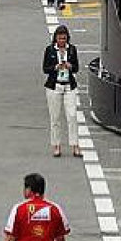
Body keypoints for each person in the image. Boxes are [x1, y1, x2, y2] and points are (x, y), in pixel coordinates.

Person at [42, 25, 81, 158]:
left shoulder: (72, 50)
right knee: (55, 117)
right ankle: (56, 145)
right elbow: (45, 69)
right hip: (54, 86)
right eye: (59, 38)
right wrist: (56, 67)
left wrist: (70, 66)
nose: (62, 41)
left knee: (72, 115)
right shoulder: (50, 50)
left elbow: (76, 68)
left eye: (64, 38)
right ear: (55, 38)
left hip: (69, 85)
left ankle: (75, 145)